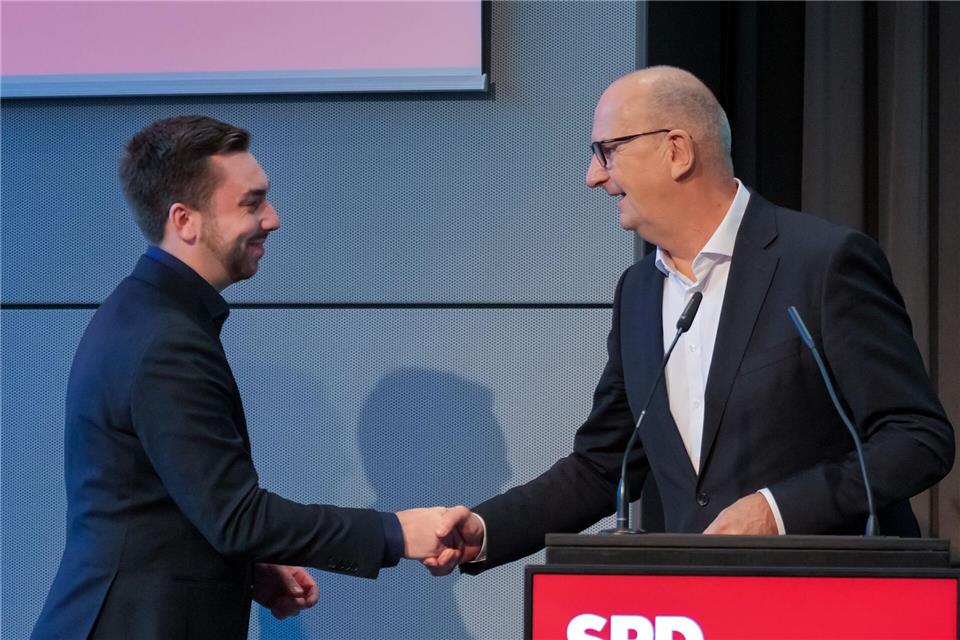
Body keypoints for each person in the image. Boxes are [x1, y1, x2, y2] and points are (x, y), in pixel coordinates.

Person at [426, 66, 955, 575]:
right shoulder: (638, 293)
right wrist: (485, 529)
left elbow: (916, 438)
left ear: (677, 150)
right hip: (698, 604)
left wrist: (777, 511)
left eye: (608, 151)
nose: (594, 177)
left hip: (830, 596)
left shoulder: (821, 263)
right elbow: (601, 466)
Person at [32, 116, 468, 640]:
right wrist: (395, 532)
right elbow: (236, 516)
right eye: (251, 203)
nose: (273, 219)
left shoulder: (148, 315)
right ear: (185, 220)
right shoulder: (166, 340)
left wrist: (243, 568)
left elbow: (164, 503)